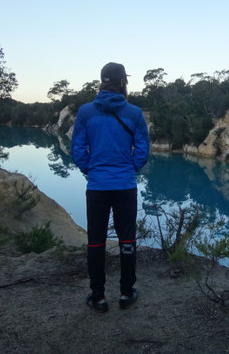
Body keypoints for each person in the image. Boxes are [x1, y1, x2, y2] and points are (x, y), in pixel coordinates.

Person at [71, 62, 150, 312]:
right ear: (123, 82)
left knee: (96, 241)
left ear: (102, 82)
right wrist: (129, 168)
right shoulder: (134, 113)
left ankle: (98, 297)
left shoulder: (85, 112)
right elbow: (143, 149)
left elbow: (77, 148)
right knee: (127, 239)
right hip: (125, 185)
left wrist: (89, 169)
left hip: (97, 186)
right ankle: (126, 293)